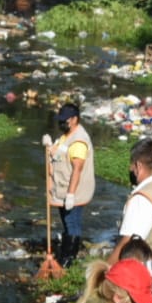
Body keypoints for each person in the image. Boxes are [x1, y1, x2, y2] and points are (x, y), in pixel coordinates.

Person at [48, 103, 95, 264]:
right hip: (62, 186)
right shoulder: (67, 135)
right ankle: (65, 253)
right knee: (67, 223)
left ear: (74, 119)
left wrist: (70, 195)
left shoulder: (79, 141)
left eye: (64, 120)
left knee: (72, 223)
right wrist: (50, 146)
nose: (61, 123)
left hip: (74, 190)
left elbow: (77, 169)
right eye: (60, 120)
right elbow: (60, 152)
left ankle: (68, 260)